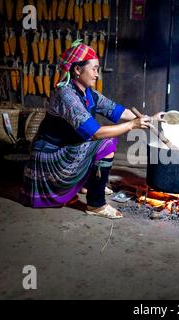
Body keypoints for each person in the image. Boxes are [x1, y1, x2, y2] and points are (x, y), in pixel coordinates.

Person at [20, 39, 165, 218]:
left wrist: (151, 118)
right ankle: (96, 204)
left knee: (100, 140)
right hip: (51, 155)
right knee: (106, 141)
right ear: (78, 70)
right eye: (94, 69)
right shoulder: (67, 95)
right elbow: (95, 133)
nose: (97, 74)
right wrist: (132, 125)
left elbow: (117, 111)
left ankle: (90, 184)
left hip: (68, 148)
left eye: (98, 69)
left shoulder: (89, 93)